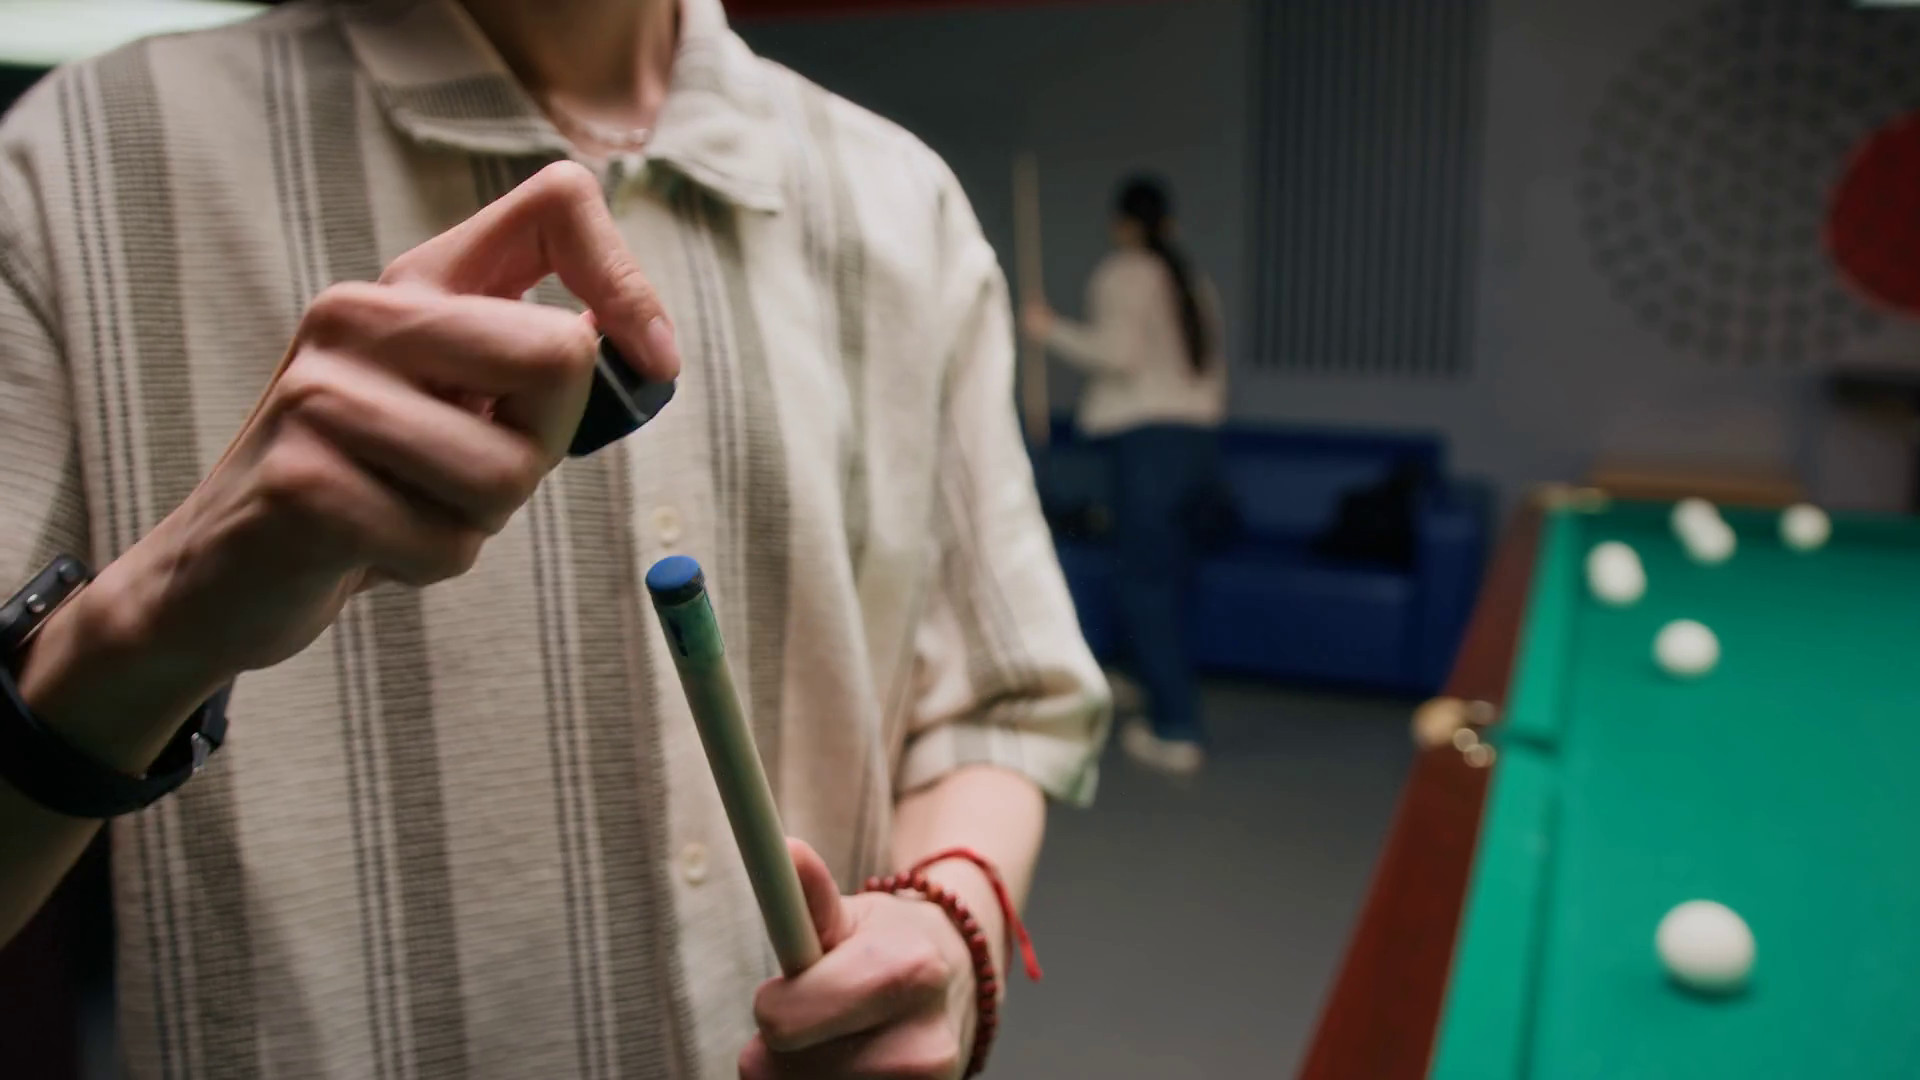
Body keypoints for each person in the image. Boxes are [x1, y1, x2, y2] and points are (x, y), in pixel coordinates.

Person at [0, 1, 1111, 1077]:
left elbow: (1000, 699)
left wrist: (949, 931)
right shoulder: (79, 167)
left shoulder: (902, 203)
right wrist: (159, 620)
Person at [1023, 175, 1227, 776]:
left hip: (1149, 447)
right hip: (1200, 447)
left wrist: (1046, 328)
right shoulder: (1193, 279)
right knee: (1166, 579)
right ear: (1170, 223)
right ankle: (1145, 681)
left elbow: (1118, 356)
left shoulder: (1123, 274)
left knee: (1145, 585)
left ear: (1121, 225)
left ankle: (1177, 729)